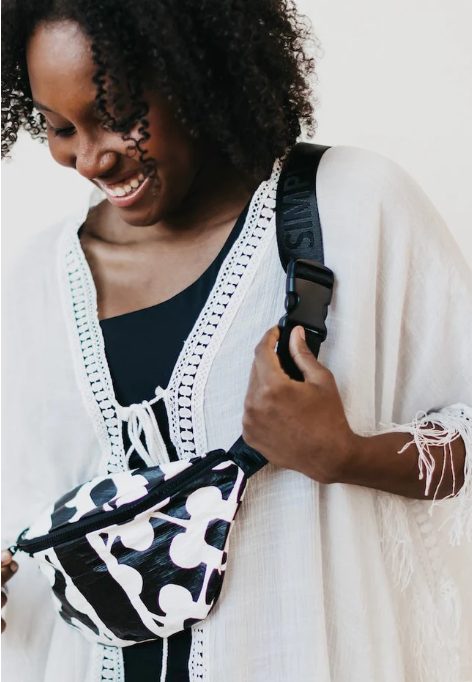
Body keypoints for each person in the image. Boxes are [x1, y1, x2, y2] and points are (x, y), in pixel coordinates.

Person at [1, 1, 471, 681]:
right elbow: (26, 525)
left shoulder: (350, 209)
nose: (90, 156)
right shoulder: (33, 284)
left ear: (194, 73)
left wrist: (346, 454)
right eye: (60, 127)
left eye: (119, 111)